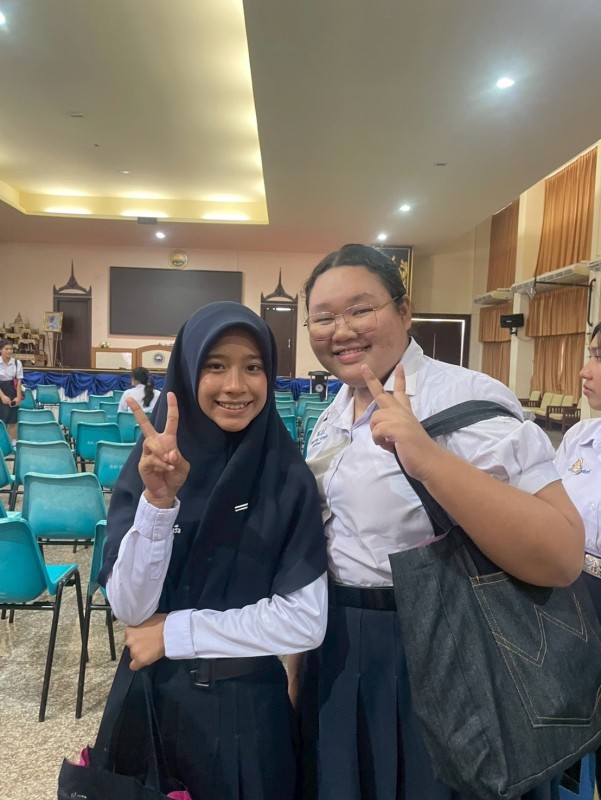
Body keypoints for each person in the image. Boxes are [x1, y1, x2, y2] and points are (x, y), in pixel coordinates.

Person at [297, 243, 584, 800]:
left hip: (446, 646)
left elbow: (562, 554)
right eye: (323, 317)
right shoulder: (334, 412)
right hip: (342, 646)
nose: (341, 330)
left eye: (360, 310)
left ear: (405, 311)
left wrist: (427, 458)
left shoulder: (466, 398)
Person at [99, 301, 328, 800]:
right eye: (216, 366)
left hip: (248, 710)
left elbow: (305, 621)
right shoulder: (151, 466)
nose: (236, 386)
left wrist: (174, 633)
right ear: (187, 372)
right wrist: (159, 505)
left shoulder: (287, 478)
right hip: (150, 698)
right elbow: (131, 609)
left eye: (253, 367)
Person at [554, 320, 601, 792]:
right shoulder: (579, 438)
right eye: (590, 354)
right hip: (571, 596)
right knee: (569, 736)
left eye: (599, 357)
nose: (585, 371)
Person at [0, 339, 23, 444]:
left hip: (12, 391)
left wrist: (18, 397)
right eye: (6, 349)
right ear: (1, 350)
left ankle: (12, 444)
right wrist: (2, 396)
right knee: (1, 420)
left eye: (11, 349)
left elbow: (18, 381)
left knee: (13, 420)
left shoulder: (17, 363)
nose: (9, 351)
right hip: (1, 391)